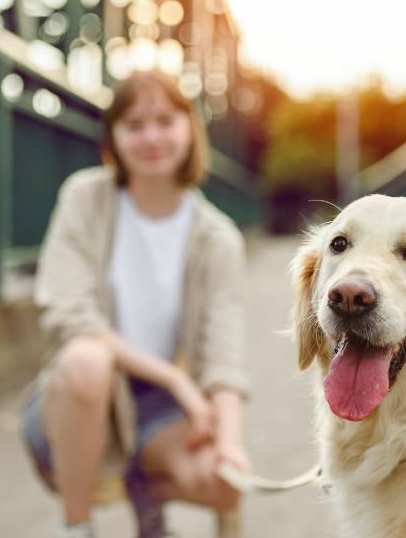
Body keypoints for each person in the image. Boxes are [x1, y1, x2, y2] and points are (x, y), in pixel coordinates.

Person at [20, 69, 251, 538]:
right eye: (134, 125)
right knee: (88, 358)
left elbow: (224, 353)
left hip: (161, 415)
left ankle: (145, 492)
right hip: (79, 402)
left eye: (165, 121)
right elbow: (70, 314)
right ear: (113, 138)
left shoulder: (218, 237)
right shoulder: (85, 197)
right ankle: (77, 526)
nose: (151, 137)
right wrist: (173, 376)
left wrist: (229, 443)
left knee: (222, 483)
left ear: (189, 129)